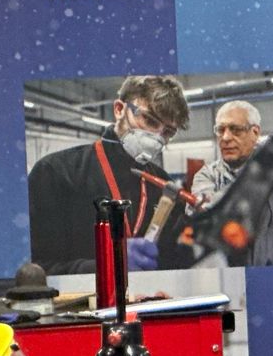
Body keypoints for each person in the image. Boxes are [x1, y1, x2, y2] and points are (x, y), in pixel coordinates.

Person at [27, 74, 193, 274]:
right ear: (119, 109)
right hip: (84, 295)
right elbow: (34, 271)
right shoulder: (56, 173)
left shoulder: (164, 185)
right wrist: (107, 264)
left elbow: (173, 263)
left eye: (168, 132)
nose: (156, 137)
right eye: (149, 120)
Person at [189, 99, 273, 267]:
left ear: (255, 132)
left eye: (236, 130)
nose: (225, 137)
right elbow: (210, 214)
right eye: (220, 130)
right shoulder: (207, 176)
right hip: (232, 276)